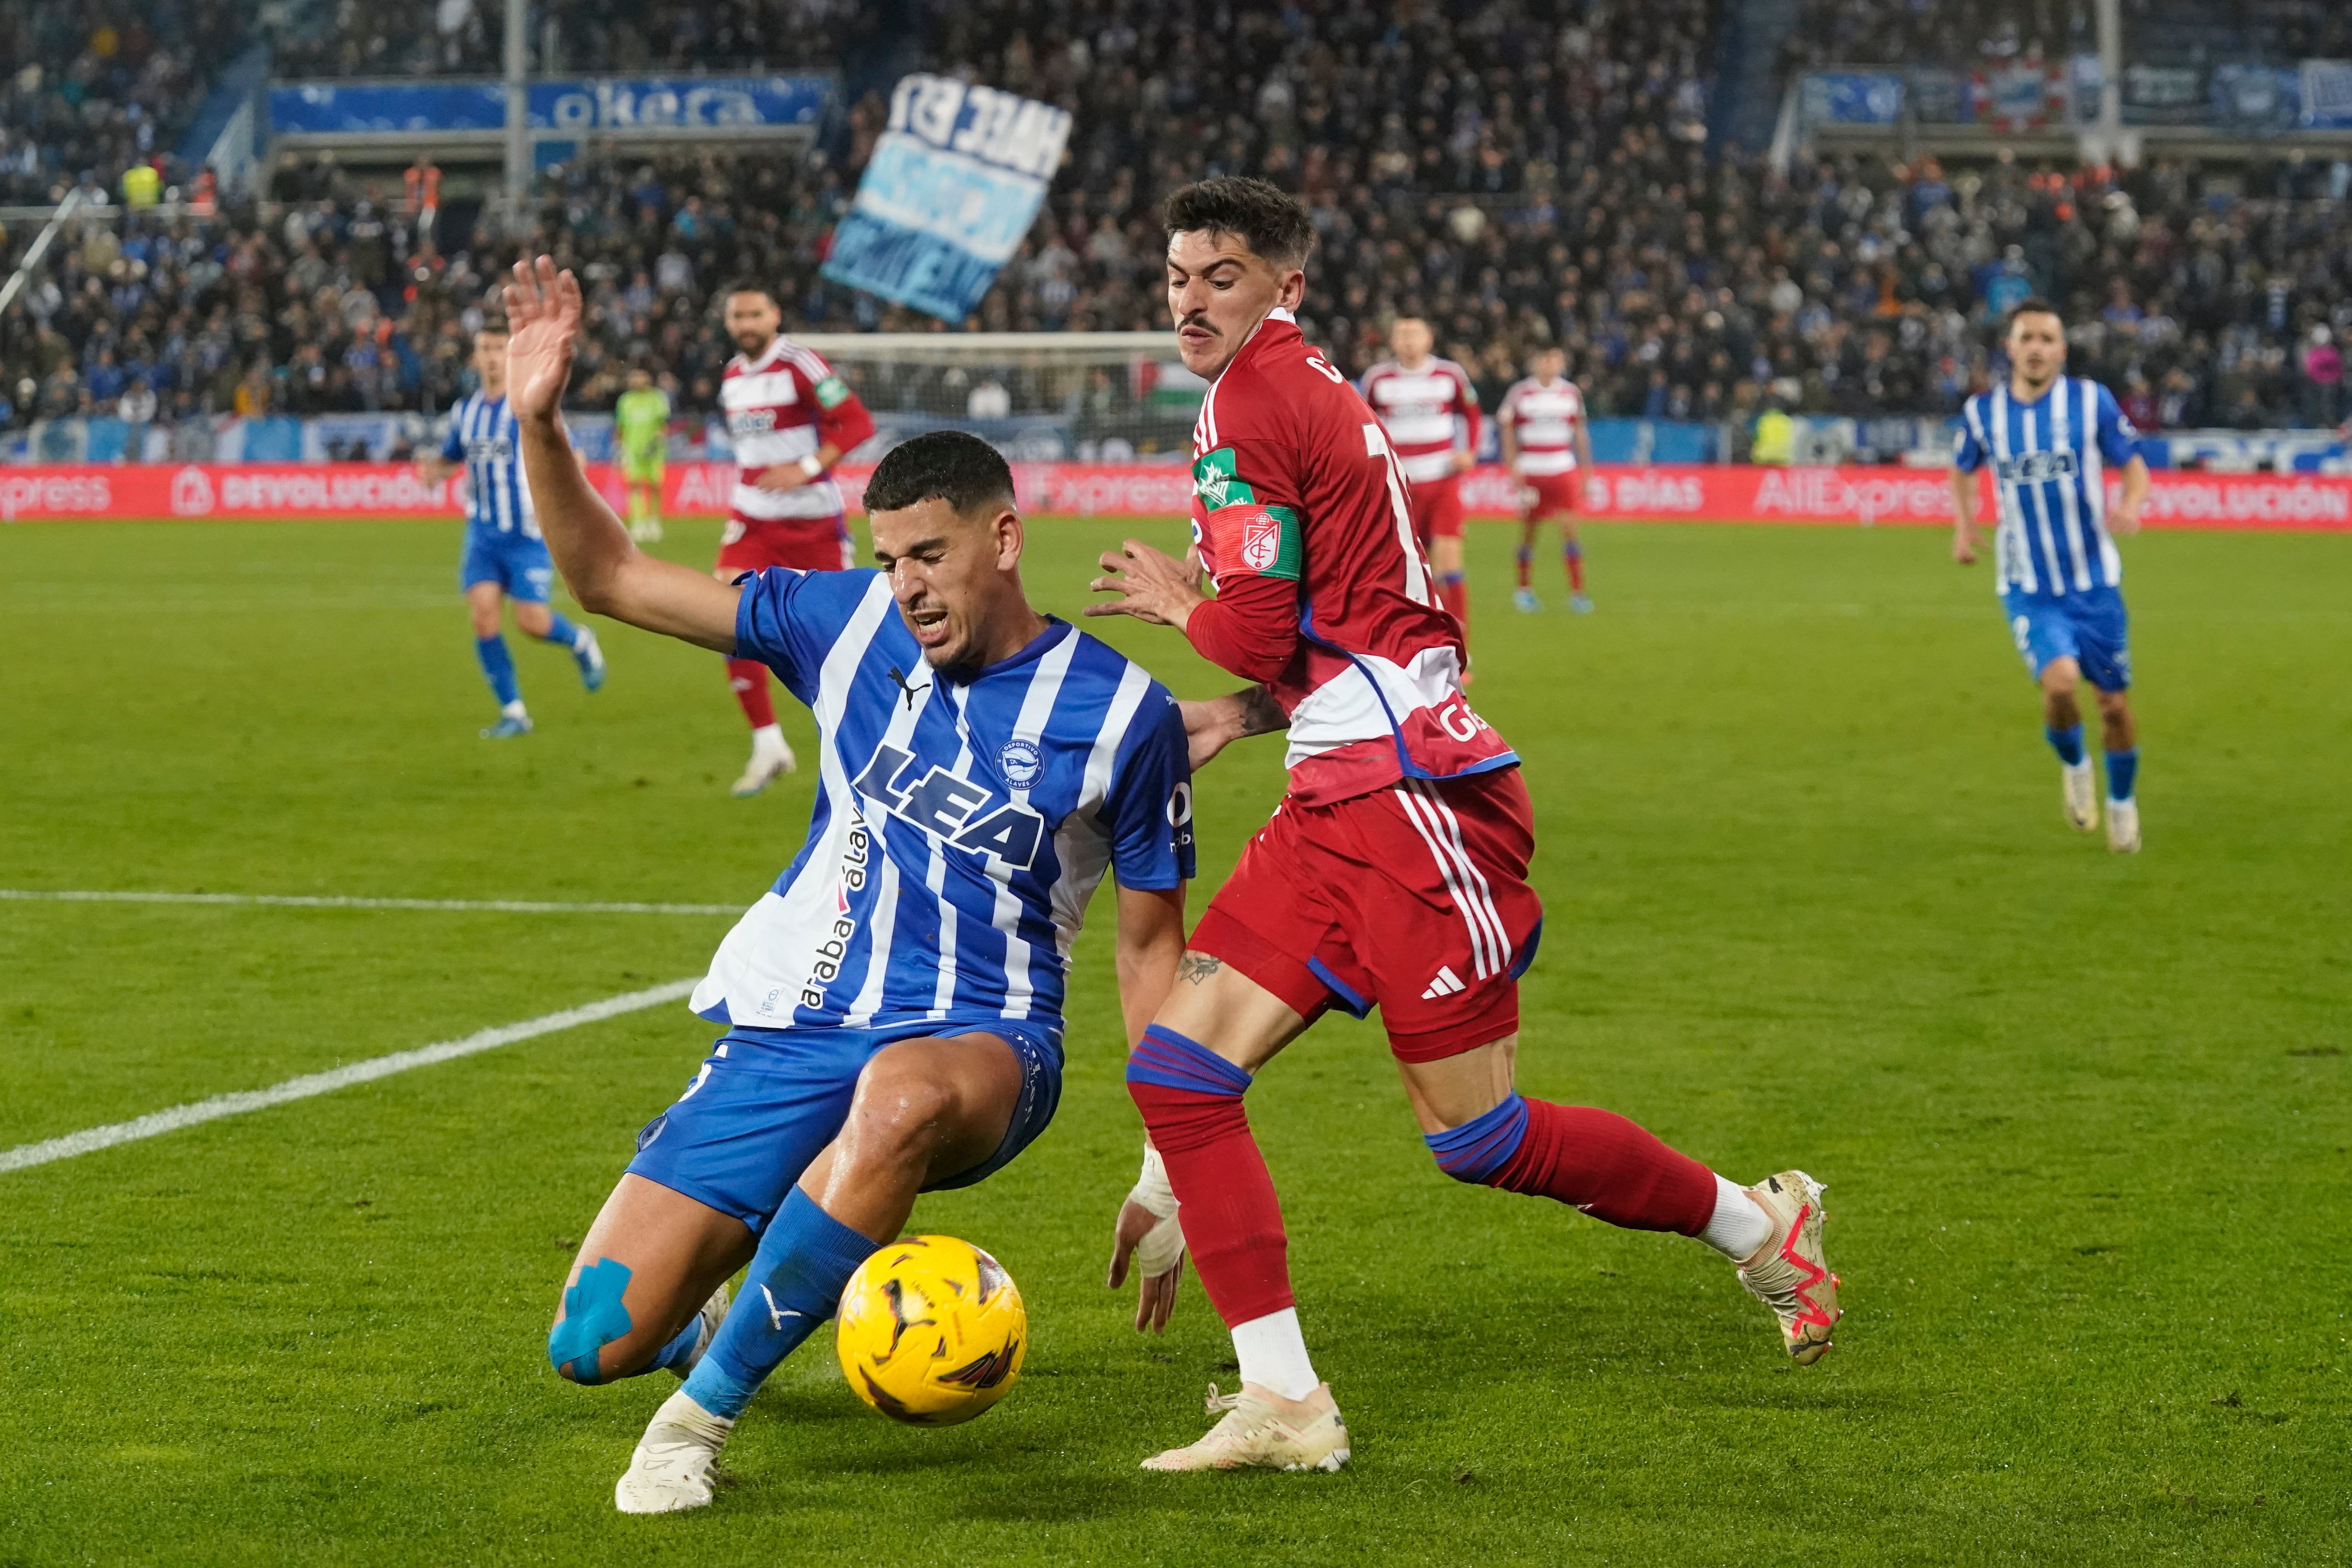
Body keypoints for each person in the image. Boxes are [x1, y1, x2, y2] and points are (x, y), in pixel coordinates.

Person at [1087, 177, 1840, 1475]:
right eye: (1175, 276)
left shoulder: (1253, 400)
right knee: (1180, 1074)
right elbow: (1354, 618)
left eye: (1220, 274)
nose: (1191, 299)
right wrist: (1244, 711)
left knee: (1479, 1137)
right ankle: (1285, 1397)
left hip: (1405, 799)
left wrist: (1177, 600)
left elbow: (1269, 621)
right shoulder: (1305, 392)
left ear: (1285, 286)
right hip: (1342, 781)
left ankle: (1758, 1227)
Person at [501, 256, 1196, 1513]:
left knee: (899, 1094)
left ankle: (695, 1419)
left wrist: (1172, 1154)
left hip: (985, 1045)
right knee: (587, 1339)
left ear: (1004, 536)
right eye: (887, 559)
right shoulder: (848, 625)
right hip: (795, 1024)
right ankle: (722, 1303)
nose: (907, 586)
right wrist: (541, 423)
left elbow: (1149, 951)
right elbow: (608, 579)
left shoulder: (1121, 716)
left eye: (929, 554)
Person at [1952, 297, 2149, 852]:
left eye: (2046, 339)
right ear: (2009, 348)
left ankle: (2120, 802)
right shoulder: (1982, 414)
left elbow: (2132, 465)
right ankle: (2075, 764)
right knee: (2059, 684)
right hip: (2027, 586)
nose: (2035, 348)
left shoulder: (2091, 403)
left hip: (2094, 585)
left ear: (2060, 351)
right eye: (2026, 338)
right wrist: (1963, 527)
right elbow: (1961, 468)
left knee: (2112, 706)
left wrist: (2131, 504)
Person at [713, 281, 878, 797]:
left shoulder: (801, 363)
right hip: (753, 518)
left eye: (755, 314)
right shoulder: (732, 377)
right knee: (724, 613)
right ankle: (768, 743)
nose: (746, 324)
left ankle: (869, 751)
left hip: (811, 521)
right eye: (737, 315)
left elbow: (855, 423)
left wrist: (806, 468)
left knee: (841, 640)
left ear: (774, 315)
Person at [414, 319, 605, 738]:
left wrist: (572, 490)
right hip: (482, 532)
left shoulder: (529, 409)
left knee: (531, 622)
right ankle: (514, 712)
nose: (491, 356)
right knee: (483, 617)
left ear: (511, 355)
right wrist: (434, 471)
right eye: (484, 348)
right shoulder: (464, 412)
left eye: (499, 347)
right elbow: (452, 456)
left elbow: (572, 456)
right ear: (475, 357)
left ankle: (579, 642)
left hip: (527, 534)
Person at [1358, 317, 1482, 637]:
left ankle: (1459, 645)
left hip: (1442, 480)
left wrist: (1469, 450)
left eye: (1415, 333)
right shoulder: (1378, 379)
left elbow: (1472, 414)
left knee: (1449, 564)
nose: (1409, 340)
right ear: (1393, 341)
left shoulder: (1449, 374)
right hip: (1398, 486)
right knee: (1402, 568)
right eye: (1402, 334)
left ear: (1429, 339)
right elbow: (1362, 423)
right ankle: (1411, 639)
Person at [1496, 345, 1596, 614]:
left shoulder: (1570, 393)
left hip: (1562, 467)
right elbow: (1507, 429)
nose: (1551, 365)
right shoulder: (1520, 393)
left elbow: (1580, 433)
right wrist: (1512, 466)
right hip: (1532, 470)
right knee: (1529, 532)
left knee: (1570, 531)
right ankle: (1524, 590)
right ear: (1536, 362)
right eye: (1546, 359)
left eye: (1556, 360)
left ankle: (1578, 593)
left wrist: (1587, 471)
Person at [613, 367, 670, 543]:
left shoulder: (657, 398)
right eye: (635, 377)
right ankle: (638, 523)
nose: (638, 380)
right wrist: (619, 448)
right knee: (635, 486)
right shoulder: (625, 401)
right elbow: (620, 426)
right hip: (633, 451)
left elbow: (664, 424)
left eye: (641, 376)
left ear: (648, 379)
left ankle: (654, 521)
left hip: (654, 452)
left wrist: (655, 442)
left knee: (655, 486)